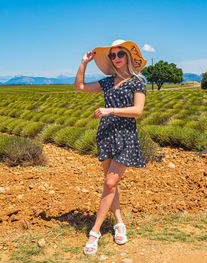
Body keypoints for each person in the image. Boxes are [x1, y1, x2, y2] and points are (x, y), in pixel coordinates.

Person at [73, 39, 147, 256]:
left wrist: (110, 110)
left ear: (128, 57)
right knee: (110, 186)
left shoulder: (137, 81)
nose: (116, 58)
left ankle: (94, 232)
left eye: (120, 54)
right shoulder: (107, 82)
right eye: (112, 55)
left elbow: (138, 110)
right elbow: (79, 87)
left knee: (110, 181)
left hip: (126, 137)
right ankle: (119, 223)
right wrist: (83, 63)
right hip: (106, 135)